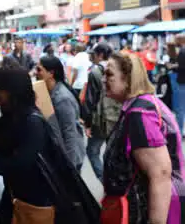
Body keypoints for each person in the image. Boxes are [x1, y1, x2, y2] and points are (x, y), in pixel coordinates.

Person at [0, 68, 99, 224]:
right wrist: (5, 162)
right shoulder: (6, 120)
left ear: (14, 91)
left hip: (36, 204)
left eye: (0, 88)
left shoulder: (33, 122)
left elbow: (20, 165)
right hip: (12, 200)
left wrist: (1, 161)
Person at [103, 52, 185, 223]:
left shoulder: (140, 113)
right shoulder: (140, 105)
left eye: (109, 74)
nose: (104, 79)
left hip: (146, 210)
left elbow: (160, 174)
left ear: (127, 78)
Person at [36, 56, 86, 170]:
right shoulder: (50, 92)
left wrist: (69, 167)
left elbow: (69, 133)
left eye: (39, 69)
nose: (36, 73)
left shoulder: (62, 98)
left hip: (70, 158)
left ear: (51, 73)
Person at [83, 43, 121, 181]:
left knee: (92, 152)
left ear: (100, 55)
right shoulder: (119, 69)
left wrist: (87, 123)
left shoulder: (95, 72)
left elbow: (90, 100)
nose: (92, 57)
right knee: (113, 152)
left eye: (94, 54)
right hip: (117, 118)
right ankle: (116, 182)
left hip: (100, 120)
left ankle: (105, 181)